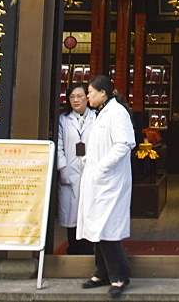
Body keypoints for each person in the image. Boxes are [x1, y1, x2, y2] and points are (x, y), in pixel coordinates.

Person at [77, 75, 136, 297]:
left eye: (90, 92)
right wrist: (88, 162)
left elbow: (124, 144)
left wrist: (101, 167)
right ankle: (102, 272)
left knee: (107, 229)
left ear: (103, 93)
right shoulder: (99, 113)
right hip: (97, 180)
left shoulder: (117, 113)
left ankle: (120, 276)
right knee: (96, 228)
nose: (88, 96)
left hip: (110, 181)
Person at [56, 81, 97, 255]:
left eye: (80, 96)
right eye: (72, 97)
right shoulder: (63, 120)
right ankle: (73, 248)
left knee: (89, 211)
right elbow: (59, 145)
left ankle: (89, 248)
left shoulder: (97, 117)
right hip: (70, 171)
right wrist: (63, 167)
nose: (76, 100)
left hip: (90, 169)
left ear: (87, 98)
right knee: (71, 213)